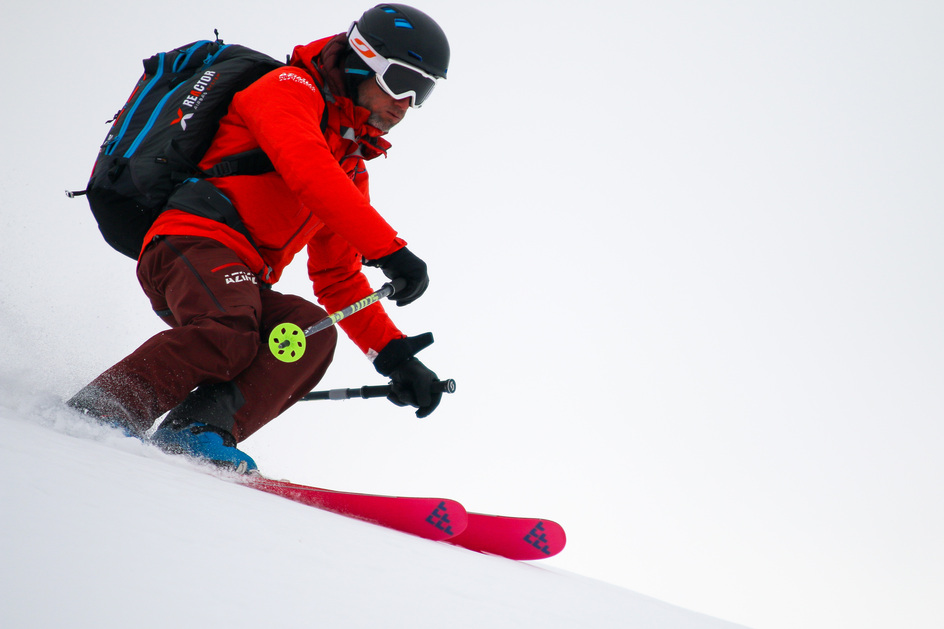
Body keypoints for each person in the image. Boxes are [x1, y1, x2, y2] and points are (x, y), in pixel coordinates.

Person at [67, 3, 451, 473]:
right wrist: (391, 250)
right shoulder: (287, 90)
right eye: (399, 81)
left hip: (241, 277)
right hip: (191, 242)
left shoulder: (349, 168)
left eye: (423, 91)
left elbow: (337, 278)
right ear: (361, 60)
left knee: (307, 333)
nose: (405, 103)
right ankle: (105, 407)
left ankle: (196, 431)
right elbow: (307, 171)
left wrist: (394, 357)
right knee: (230, 331)